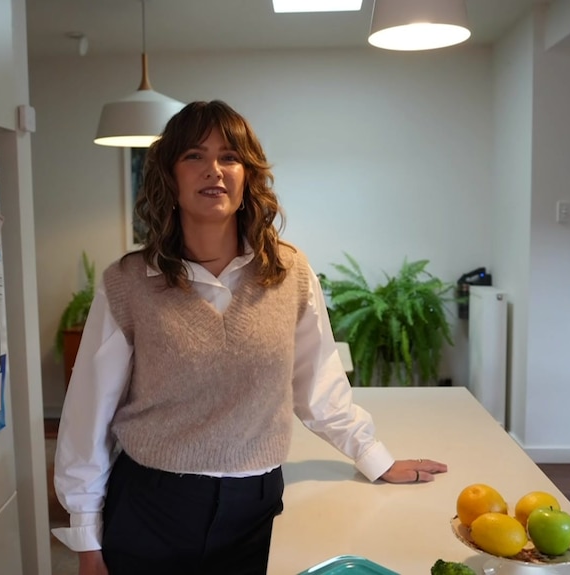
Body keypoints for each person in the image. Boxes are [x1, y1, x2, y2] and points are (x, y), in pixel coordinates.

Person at [52, 100, 448, 575]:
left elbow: (318, 385)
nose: (213, 170)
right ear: (169, 178)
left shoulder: (290, 272)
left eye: (230, 157)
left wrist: (374, 456)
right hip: (151, 507)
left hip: (254, 510)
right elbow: (87, 414)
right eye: (194, 156)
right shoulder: (128, 282)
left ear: (248, 176)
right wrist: (86, 538)